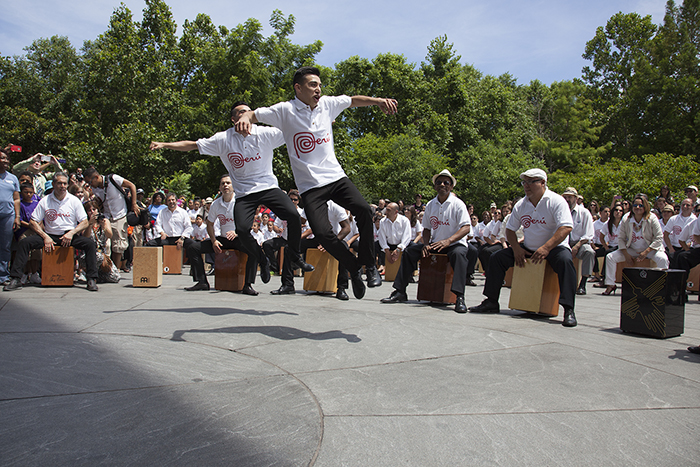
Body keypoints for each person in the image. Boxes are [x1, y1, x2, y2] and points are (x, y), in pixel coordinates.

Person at [235, 66, 398, 299]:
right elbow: (253, 114)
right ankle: (353, 267)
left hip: (335, 177)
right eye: (313, 85)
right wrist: (243, 116)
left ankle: (369, 266)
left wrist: (379, 101)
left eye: (320, 85)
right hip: (310, 187)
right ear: (298, 88)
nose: (318, 89)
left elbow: (353, 100)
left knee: (363, 210)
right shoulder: (284, 110)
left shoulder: (327, 104)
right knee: (321, 233)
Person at [150, 101, 314, 295]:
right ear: (234, 119)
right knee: (243, 230)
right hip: (244, 193)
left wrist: (319, 121)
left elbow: (295, 130)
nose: (245, 116)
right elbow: (193, 145)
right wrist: (165, 144)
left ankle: (295, 256)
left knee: (293, 215)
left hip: (268, 187)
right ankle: (261, 258)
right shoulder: (223, 139)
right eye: (240, 113)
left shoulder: (265, 133)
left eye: (248, 113)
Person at [468, 168, 578, 327]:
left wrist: (546, 248)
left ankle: (569, 309)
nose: (526, 186)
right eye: (524, 182)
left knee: (566, 262)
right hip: (527, 248)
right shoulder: (522, 204)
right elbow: (510, 230)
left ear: (542, 183)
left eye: (531, 182)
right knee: (497, 258)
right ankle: (491, 301)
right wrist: (517, 249)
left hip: (553, 248)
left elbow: (566, 227)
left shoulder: (556, 201)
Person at [381, 170, 471, 313]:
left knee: (459, 255)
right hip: (435, 243)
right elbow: (427, 228)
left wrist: (448, 241)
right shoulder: (430, 205)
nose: (442, 184)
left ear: (451, 187)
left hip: (453, 244)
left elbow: (466, 227)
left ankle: (459, 297)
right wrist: (426, 244)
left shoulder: (458, 204)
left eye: (446, 182)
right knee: (410, 250)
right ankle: (400, 291)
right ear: (435, 186)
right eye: (438, 182)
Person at [4, 172, 99, 291]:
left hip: (69, 236)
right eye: (59, 183)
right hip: (50, 236)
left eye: (64, 183)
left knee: (89, 244)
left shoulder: (74, 200)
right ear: (53, 184)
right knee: (24, 243)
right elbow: (33, 221)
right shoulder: (45, 200)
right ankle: (16, 279)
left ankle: (91, 279)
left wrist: (71, 233)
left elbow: (84, 222)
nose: (62, 186)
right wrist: (45, 237)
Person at [184, 174, 260, 294]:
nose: (225, 185)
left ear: (233, 186)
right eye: (223, 183)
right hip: (223, 239)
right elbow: (209, 224)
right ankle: (202, 281)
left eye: (228, 183)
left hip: (238, 238)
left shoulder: (240, 201)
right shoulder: (215, 204)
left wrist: (237, 232)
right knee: (193, 247)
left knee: (254, 250)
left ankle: (247, 285)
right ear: (219, 187)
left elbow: (249, 222)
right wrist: (214, 240)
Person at [602, 195, 669, 295]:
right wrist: (626, 254)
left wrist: (646, 252)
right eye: (635, 205)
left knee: (663, 259)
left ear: (645, 206)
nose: (637, 207)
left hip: (650, 250)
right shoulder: (626, 218)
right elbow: (621, 238)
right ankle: (610, 284)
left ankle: (661, 287)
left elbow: (659, 238)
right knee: (610, 257)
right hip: (632, 249)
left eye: (640, 205)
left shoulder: (652, 218)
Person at [83, 167, 141, 273]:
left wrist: (133, 204)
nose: (90, 185)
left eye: (90, 182)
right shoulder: (95, 189)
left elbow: (132, 185)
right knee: (105, 242)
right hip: (106, 216)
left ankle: (115, 268)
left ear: (96, 177)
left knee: (119, 244)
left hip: (119, 215)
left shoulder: (113, 179)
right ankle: (105, 267)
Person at [562, 187, 596, 295]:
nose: (567, 199)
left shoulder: (584, 213)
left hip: (580, 242)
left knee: (589, 252)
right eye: (565, 197)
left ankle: (582, 284)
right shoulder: (561, 211)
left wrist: (577, 246)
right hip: (563, 241)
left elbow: (589, 234)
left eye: (570, 197)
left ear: (576, 199)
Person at [80, 200, 120, 283]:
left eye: (94, 209)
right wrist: (90, 224)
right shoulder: (84, 222)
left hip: (102, 253)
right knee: (98, 257)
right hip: (87, 254)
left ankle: (98, 276)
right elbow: (85, 236)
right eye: (89, 210)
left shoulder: (105, 221)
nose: (92, 212)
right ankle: (88, 274)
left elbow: (109, 235)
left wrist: (103, 226)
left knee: (115, 277)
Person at [0, 149, 20, 285]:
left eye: (7, 158)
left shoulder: (12, 178)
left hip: (7, 216)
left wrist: (17, 217)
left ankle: (3, 276)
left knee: (5, 246)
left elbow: (16, 199)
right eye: (2, 158)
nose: (6, 161)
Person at [377, 202, 412, 273]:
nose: (386, 212)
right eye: (386, 209)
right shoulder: (382, 221)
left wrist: (399, 249)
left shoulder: (404, 221)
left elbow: (407, 236)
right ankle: (374, 272)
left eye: (388, 210)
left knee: (413, 249)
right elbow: (381, 237)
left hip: (401, 244)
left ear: (396, 212)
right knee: (373, 247)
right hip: (388, 244)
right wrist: (386, 251)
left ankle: (409, 273)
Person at [664, 198, 696, 267]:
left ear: (693, 207)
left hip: (688, 247)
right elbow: (666, 234)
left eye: (688, 205)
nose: (685, 207)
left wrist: (689, 244)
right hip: (674, 247)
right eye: (683, 205)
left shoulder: (695, 220)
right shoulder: (673, 219)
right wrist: (670, 248)